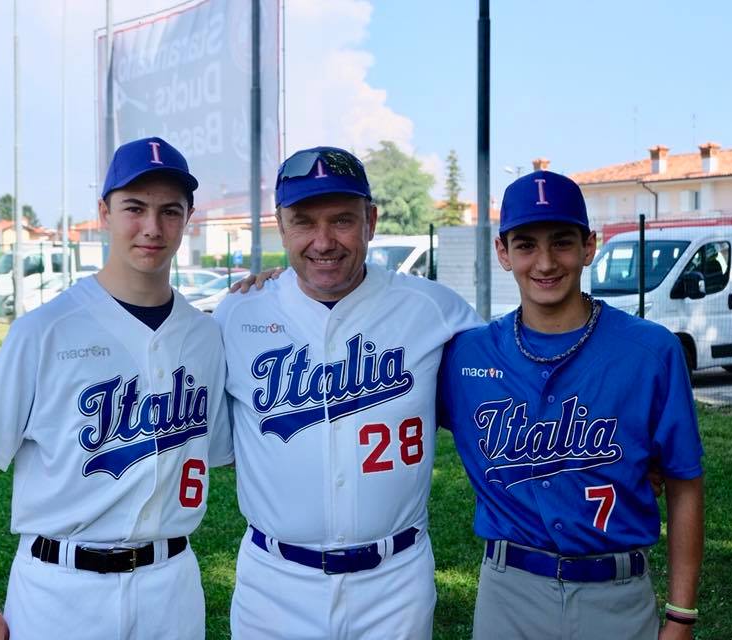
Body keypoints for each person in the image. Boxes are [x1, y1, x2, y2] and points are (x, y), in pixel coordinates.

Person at [0, 136, 232, 640]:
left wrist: (274, 286)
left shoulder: (207, 336)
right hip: (59, 590)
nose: (152, 227)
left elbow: (225, 451)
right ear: (104, 212)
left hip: (171, 587)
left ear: (188, 219)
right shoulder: (44, 330)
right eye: (134, 208)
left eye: (170, 211)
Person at [213, 146, 482, 639]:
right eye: (303, 222)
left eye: (341, 220)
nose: (323, 241)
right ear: (280, 225)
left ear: (371, 221)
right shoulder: (238, 314)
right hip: (272, 585)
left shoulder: (433, 309)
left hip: (395, 583)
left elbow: (517, 382)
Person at [438, 170, 704, 640]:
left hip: (617, 593)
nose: (544, 262)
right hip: (509, 594)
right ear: (502, 253)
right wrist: (273, 288)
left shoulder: (650, 351)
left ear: (589, 246)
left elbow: (684, 482)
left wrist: (681, 614)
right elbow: (380, 402)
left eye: (561, 242)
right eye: (525, 245)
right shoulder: (466, 356)